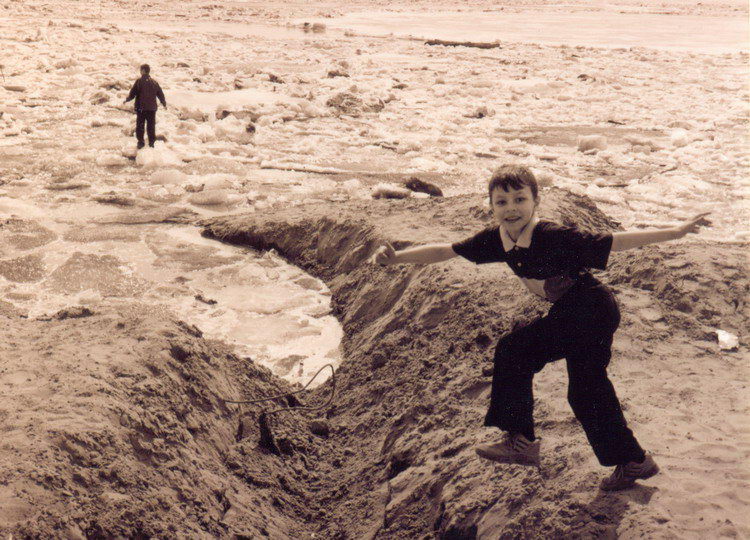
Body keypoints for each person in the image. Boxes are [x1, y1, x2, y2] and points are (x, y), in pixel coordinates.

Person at [372, 164, 709, 491]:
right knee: (585, 393)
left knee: (515, 350)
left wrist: (676, 232)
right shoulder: (497, 239)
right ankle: (634, 461)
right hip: (579, 311)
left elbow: (613, 241)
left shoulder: (552, 235)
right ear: (491, 206)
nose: (511, 208)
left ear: (536, 201)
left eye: (520, 199)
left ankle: (520, 441)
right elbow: (446, 251)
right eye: (501, 202)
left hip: (590, 309)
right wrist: (397, 258)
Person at [123, 64, 166, 149]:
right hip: (152, 109)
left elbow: (133, 93)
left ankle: (141, 142)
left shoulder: (139, 81)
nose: (140, 71)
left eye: (140, 70)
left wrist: (127, 99)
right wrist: (163, 103)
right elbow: (160, 94)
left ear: (143, 71)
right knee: (151, 126)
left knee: (140, 126)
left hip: (141, 108)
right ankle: (151, 143)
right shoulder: (154, 82)